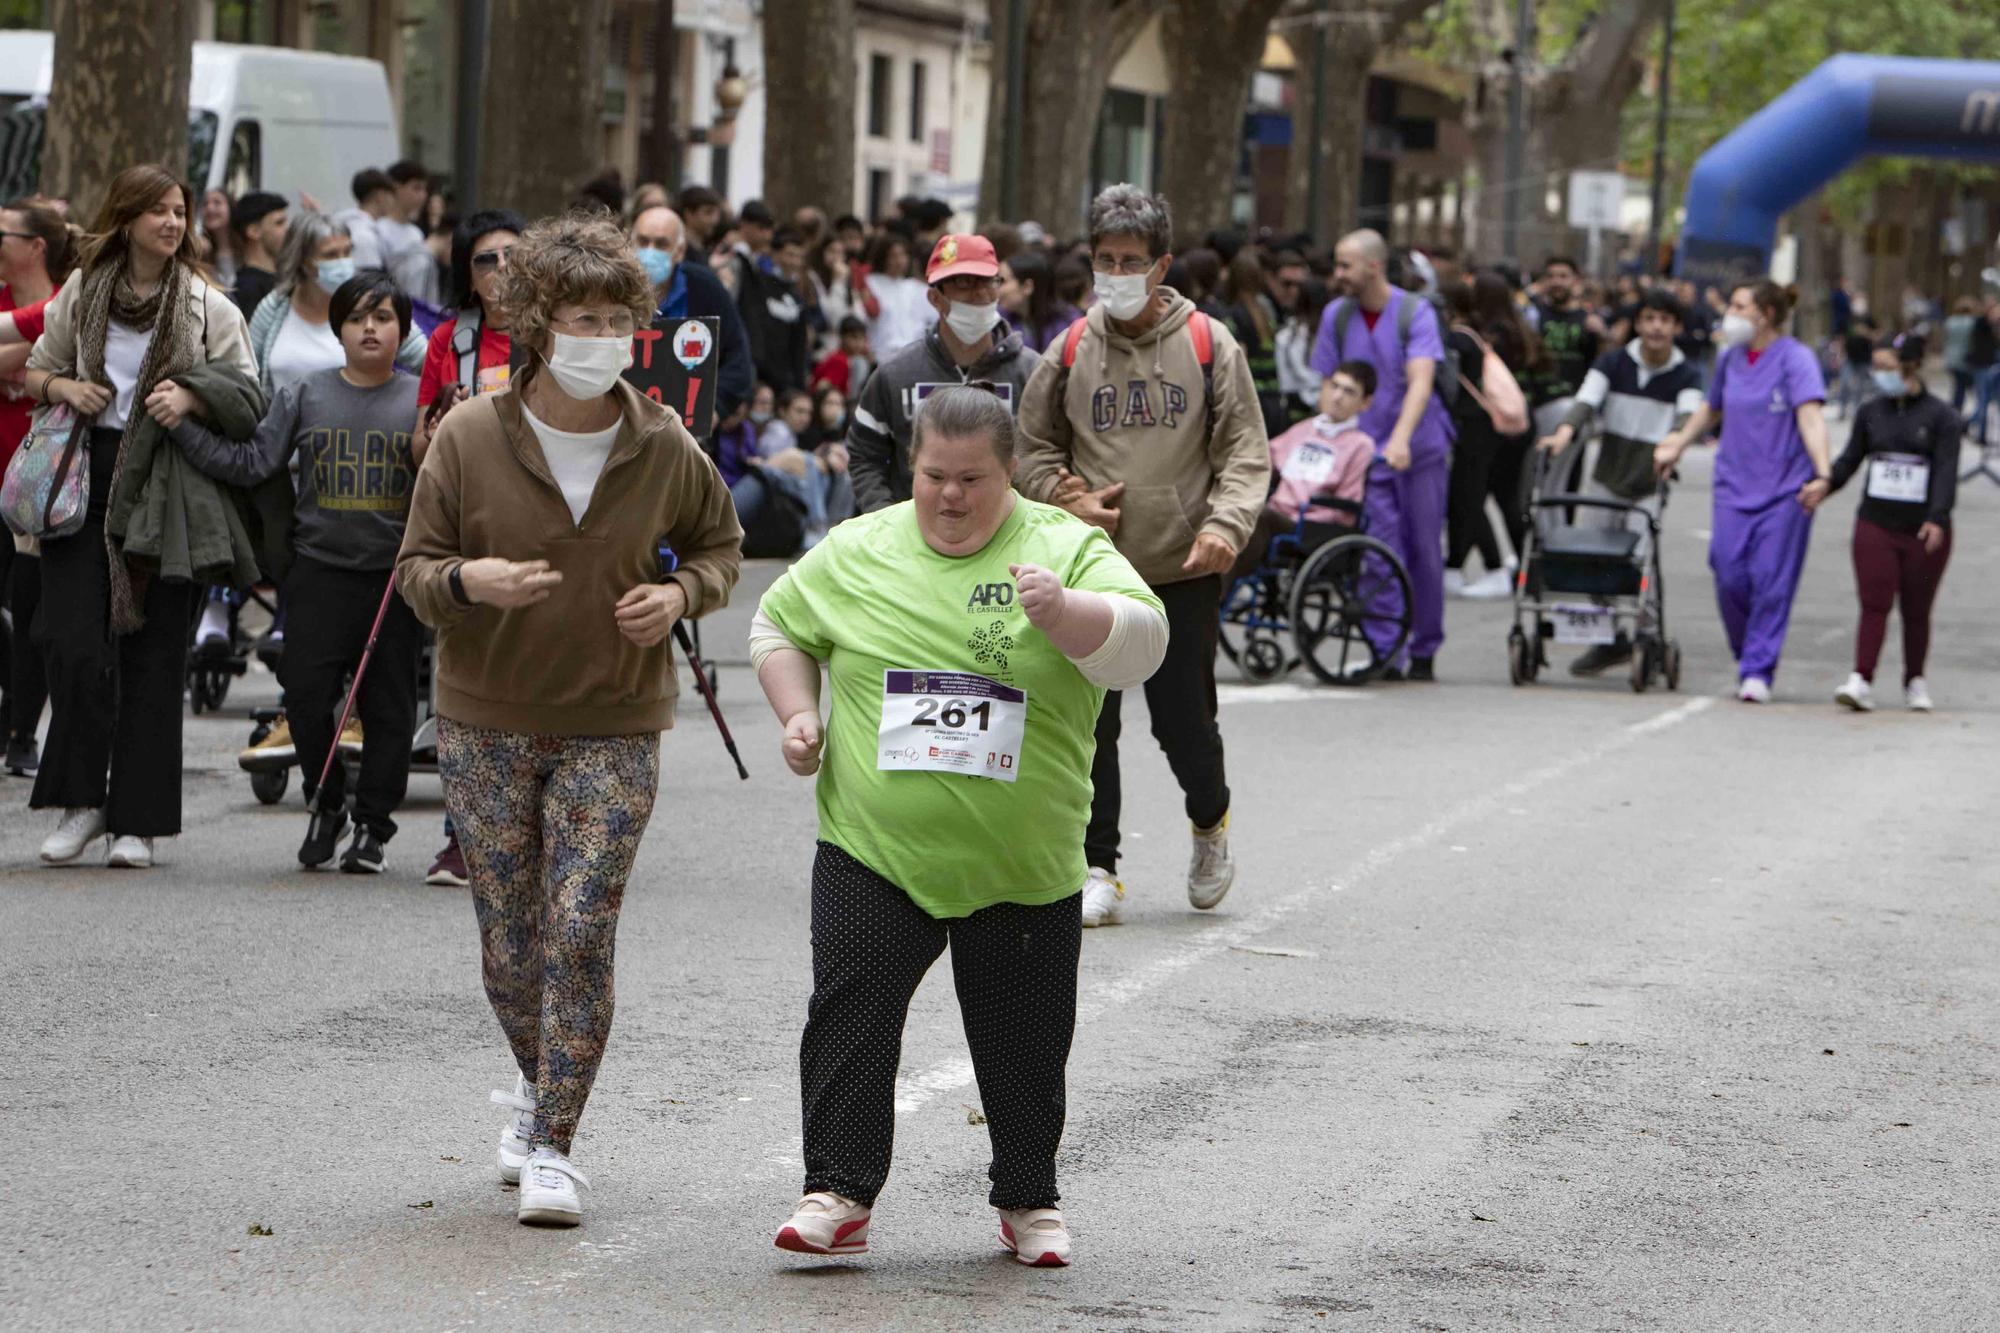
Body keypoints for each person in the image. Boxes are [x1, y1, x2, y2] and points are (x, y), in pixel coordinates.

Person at [752, 385, 1167, 1267]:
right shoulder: (860, 547)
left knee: (1025, 1036)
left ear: (1009, 471)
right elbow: (777, 624)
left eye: (971, 479)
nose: (949, 495)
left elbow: (1145, 642)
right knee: (850, 1007)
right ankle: (837, 1189)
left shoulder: (1064, 546)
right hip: (876, 846)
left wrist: (1068, 614)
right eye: (933, 475)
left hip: (1023, 858)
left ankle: (1029, 1200)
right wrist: (798, 714)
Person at [395, 210, 743, 1228]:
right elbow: (415, 573)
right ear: (539, 323)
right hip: (485, 720)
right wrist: (471, 579)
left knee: (580, 930)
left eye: (617, 320)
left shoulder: (663, 441)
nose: (600, 337)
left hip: (615, 720)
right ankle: (540, 1081)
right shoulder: (467, 436)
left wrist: (681, 598)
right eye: (580, 317)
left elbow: (721, 548)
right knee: (512, 944)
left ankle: (553, 1141)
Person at [1016, 184, 1268, 927]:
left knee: (1183, 723)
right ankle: (1098, 866)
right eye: (1104, 259)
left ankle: (1209, 822)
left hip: (1181, 567)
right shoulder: (1068, 349)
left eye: (1131, 260)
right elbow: (1028, 447)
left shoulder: (1208, 344)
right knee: (1093, 724)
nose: (1116, 273)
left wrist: (1225, 525)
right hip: (1093, 572)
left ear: (1161, 266)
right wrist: (1066, 497)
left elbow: (1246, 451)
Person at [21, 163, 258, 868]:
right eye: (156, 210)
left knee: (155, 659)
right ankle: (82, 801)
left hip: (169, 485)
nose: (172, 222)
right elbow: (35, 369)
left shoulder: (206, 304)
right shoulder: (86, 291)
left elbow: (246, 393)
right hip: (82, 478)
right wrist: (67, 385)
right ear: (124, 219)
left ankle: (138, 821)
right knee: (71, 646)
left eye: (179, 211)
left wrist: (188, 397)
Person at [175, 272, 423, 870]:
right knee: (305, 696)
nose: (370, 328)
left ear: (402, 330)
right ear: (337, 329)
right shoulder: (306, 393)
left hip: (394, 580)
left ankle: (372, 829)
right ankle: (328, 799)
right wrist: (180, 429)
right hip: (316, 571)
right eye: (358, 317)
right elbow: (254, 461)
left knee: (389, 707)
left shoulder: (422, 399)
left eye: (383, 317)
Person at [403, 208, 525, 888]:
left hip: (545, 530)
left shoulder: (558, 334)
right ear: (467, 275)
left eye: (513, 255)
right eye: (486, 259)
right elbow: (419, 446)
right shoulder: (451, 340)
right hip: (466, 531)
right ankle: (461, 837)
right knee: (464, 688)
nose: (502, 270)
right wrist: (445, 423)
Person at [1654, 280, 1831, 703]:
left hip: (1786, 489)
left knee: (1771, 580)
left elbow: (1811, 419)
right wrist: (1678, 442)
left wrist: (1824, 474)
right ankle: (1749, 649)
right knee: (1727, 569)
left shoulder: (1796, 359)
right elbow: (1711, 408)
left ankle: (1757, 669)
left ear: (1765, 314)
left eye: (1738, 305)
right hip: (1734, 485)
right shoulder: (1731, 358)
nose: (1729, 313)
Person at [1309, 228, 1454, 680]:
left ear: (1374, 266)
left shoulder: (1415, 313)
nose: (1338, 275)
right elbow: (1328, 386)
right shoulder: (1336, 316)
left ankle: (1425, 645)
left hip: (1419, 451)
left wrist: (1401, 440)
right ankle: (1387, 647)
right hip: (1365, 456)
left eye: (1345, 265)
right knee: (1377, 552)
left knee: (1424, 550)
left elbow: (1421, 382)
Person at [1536, 287, 1703, 674]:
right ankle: (1606, 640)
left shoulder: (1686, 374)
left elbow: (1687, 417)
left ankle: (1648, 635)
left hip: (1648, 482)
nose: (1656, 328)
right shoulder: (1614, 364)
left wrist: (1673, 443)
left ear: (1676, 327)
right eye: (1649, 319)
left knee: (1643, 560)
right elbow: (1585, 401)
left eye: (1664, 320)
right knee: (1593, 559)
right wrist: (1563, 432)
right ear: (1638, 324)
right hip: (1607, 478)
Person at [1804, 335, 1959, 714]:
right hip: (1876, 522)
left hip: (1922, 527)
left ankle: (1915, 680)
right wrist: (1825, 484)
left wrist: (1937, 518)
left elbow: (1946, 473)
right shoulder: (1871, 411)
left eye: (1887, 367)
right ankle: (1861, 678)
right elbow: (1850, 459)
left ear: (1909, 366)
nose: (1879, 375)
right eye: (1877, 367)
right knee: (1874, 602)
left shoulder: (1942, 417)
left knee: (1917, 608)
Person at [850, 233, 1041, 513]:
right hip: (913, 543)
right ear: (935, 298)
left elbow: (1047, 455)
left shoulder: (1031, 372)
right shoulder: (896, 374)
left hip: (1008, 537)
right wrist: (886, 520)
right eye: (963, 282)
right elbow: (864, 455)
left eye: (988, 281)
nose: (978, 293)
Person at [0, 199, 72, 777]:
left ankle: (22, 730)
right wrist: (34, 369)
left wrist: (21, 369)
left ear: (35, 246)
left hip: (41, 490)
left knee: (31, 616)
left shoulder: (63, 302)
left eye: (3, 233)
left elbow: (57, 351)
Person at [1226, 361, 1377, 588]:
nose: (1337, 396)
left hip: (1309, 527)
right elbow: (1261, 458)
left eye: (1348, 392)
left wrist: (1307, 513)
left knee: (1259, 517)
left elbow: (1347, 506)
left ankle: (1221, 591)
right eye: (1334, 386)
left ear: (1365, 403)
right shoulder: (1304, 430)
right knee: (1232, 509)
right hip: (1277, 515)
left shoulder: (1360, 445)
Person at [247, 211, 426, 399]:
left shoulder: (373, 302)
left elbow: (426, 358)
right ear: (303, 261)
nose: (342, 262)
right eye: (330, 255)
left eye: (347, 252)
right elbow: (247, 374)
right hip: (282, 426)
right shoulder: (274, 307)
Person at [1443, 272, 1538, 600]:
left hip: (1491, 426)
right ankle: (1525, 569)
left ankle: (1493, 567)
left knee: (1476, 497)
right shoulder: (1514, 329)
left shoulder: (1479, 335)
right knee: (1500, 499)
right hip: (1512, 423)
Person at [629, 204, 755, 425]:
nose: (649, 251)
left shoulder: (704, 287)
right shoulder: (610, 289)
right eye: (642, 241)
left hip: (687, 430)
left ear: (678, 251)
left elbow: (738, 357)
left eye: (660, 244)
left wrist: (715, 408)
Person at [861, 231, 933, 358]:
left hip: (912, 356)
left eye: (902, 255)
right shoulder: (871, 283)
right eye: (893, 256)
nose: (899, 261)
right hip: (880, 354)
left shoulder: (915, 288)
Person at [998, 248, 1080, 355]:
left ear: (1027, 286)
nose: (997, 288)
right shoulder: (999, 322)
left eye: (1003, 281)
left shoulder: (1067, 327)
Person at [228, 191, 289, 320]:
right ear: (254, 232)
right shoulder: (247, 290)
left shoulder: (281, 277)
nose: (287, 229)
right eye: (279, 223)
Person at [331, 168, 394, 270]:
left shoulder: (350, 224)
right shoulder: (364, 236)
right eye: (391, 195)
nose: (392, 201)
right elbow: (369, 279)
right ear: (381, 195)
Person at [810, 315, 873, 397]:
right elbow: (821, 388)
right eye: (854, 337)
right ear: (842, 337)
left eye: (861, 338)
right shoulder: (840, 361)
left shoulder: (844, 359)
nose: (858, 343)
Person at [1941, 297, 1980, 418]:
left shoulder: (1950, 322)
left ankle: (1955, 410)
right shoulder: (1972, 322)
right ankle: (1958, 412)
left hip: (1951, 358)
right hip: (1965, 359)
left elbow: (1946, 339)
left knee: (1958, 386)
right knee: (1965, 387)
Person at [199, 188, 237, 287]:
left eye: (217, 203)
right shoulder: (202, 249)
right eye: (205, 204)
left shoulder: (247, 248)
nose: (210, 208)